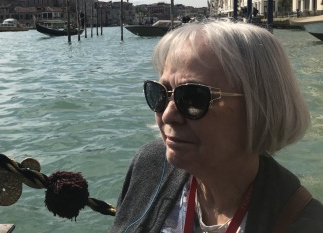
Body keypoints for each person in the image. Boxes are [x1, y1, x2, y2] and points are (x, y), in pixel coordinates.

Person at [111, 21, 323, 233]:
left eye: (193, 98)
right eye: (160, 93)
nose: (167, 115)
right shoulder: (149, 164)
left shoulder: (304, 224)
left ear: (258, 107)